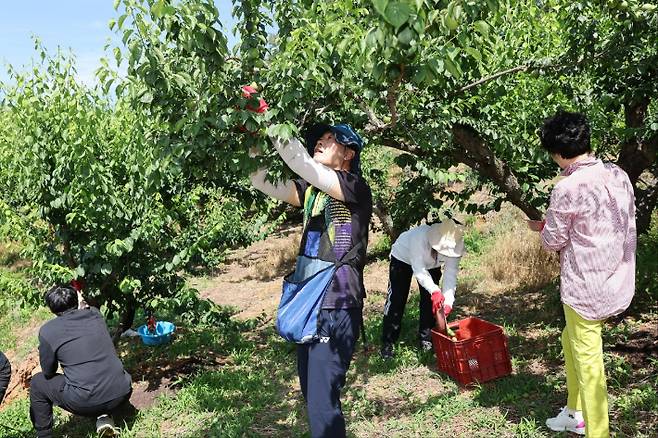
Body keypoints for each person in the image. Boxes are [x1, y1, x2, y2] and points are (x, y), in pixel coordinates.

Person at [250, 121, 372, 438]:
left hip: (337, 304)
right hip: (311, 306)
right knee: (311, 393)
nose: (320, 141)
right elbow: (261, 180)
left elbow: (300, 162)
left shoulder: (355, 187)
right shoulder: (313, 193)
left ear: (349, 153)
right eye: (319, 138)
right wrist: (250, 135)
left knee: (321, 402)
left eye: (330, 139)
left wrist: (267, 118)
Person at [529, 110, 636, 438]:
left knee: (590, 366)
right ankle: (574, 412)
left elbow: (552, 242)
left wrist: (543, 228)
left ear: (558, 152)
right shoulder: (618, 174)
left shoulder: (567, 187)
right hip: (618, 281)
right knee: (569, 340)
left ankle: (596, 431)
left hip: (586, 290)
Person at [30, 285, 133, 438]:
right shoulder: (95, 314)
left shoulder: (48, 331)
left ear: (52, 309)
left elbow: (48, 371)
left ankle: (44, 435)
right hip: (122, 392)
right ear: (76, 300)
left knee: (38, 382)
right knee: (95, 373)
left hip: (86, 401)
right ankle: (104, 418)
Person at [380, 219, 465, 359]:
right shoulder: (418, 238)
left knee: (429, 303)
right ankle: (387, 343)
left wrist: (448, 303)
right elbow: (419, 270)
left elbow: (450, 276)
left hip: (432, 265)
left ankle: (426, 339)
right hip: (402, 258)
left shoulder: (455, 247)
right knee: (397, 299)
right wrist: (435, 290)